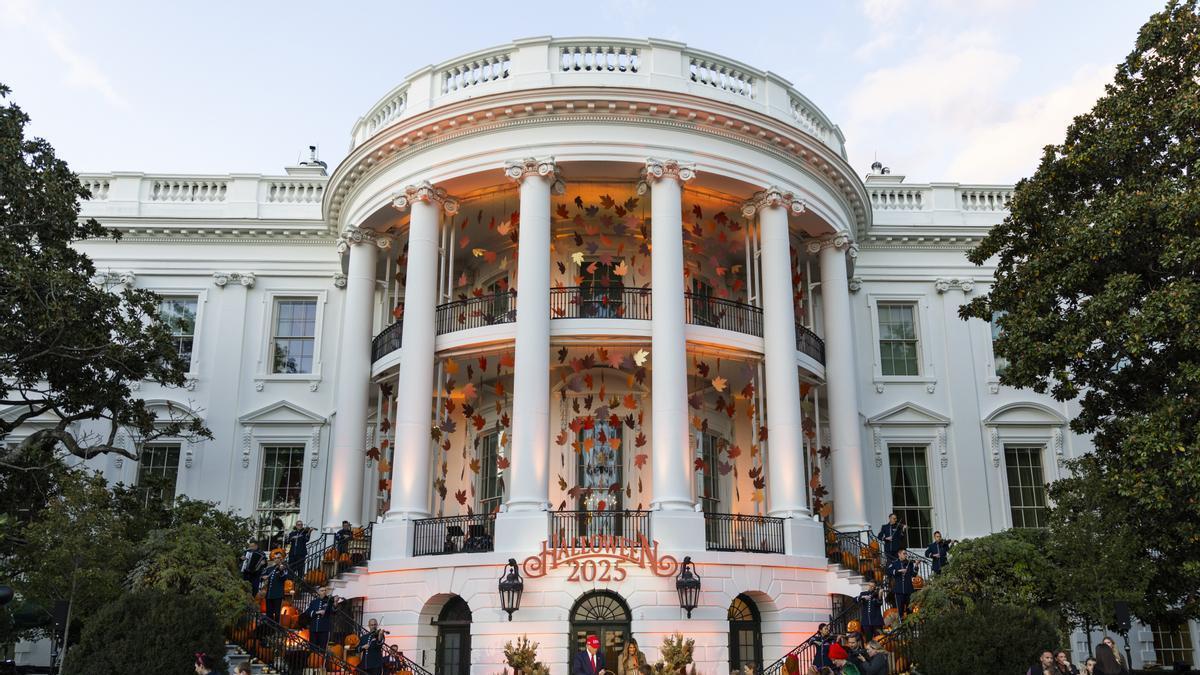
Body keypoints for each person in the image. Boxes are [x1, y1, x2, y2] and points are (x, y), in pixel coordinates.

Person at [302, 586, 339, 651]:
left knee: (322, 649)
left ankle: (321, 661)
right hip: (313, 629)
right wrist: (317, 612)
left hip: (324, 629)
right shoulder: (314, 602)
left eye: (325, 590)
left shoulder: (329, 602)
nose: (324, 592)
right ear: (318, 592)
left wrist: (335, 603)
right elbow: (307, 612)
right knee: (313, 649)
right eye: (322, 590)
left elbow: (333, 612)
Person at [887, 549, 918, 618]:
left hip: (908, 589)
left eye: (906, 554)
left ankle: (910, 627)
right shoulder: (895, 563)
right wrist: (899, 571)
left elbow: (914, 574)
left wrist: (916, 565)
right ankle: (901, 625)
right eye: (904, 554)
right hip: (899, 590)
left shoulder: (909, 563)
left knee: (909, 609)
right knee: (900, 610)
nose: (905, 555)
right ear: (899, 554)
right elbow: (888, 571)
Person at [261, 557, 292, 623]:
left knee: (277, 613)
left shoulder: (284, 569)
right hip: (269, 594)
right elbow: (262, 576)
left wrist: (281, 570)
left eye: (279, 558)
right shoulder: (270, 569)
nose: (277, 559)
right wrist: (263, 577)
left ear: (281, 559)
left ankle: (276, 628)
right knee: (269, 613)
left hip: (277, 595)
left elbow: (284, 577)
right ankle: (269, 628)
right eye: (275, 558)